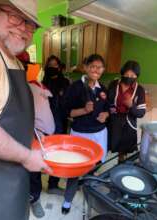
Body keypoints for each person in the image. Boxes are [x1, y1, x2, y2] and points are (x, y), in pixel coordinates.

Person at [0, 1, 51, 220]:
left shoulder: (15, 62)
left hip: (16, 181)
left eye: (31, 24)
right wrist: (27, 157)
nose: (24, 28)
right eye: (15, 17)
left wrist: (35, 148)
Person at [62, 54, 109, 214]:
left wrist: (106, 115)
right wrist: (83, 110)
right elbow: (66, 112)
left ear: (103, 70)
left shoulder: (102, 88)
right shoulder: (75, 87)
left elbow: (107, 108)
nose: (96, 69)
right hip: (81, 134)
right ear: (86, 67)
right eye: (93, 66)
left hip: (99, 134)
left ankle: (89, 191)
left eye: (99, 67)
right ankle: (68, 200)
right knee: (76, 169)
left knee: (94, 167)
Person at [108, 60, 146, 162]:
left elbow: (141, 113)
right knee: (107, 146)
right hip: (112, 122)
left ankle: (120, 168)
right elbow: (107, 101)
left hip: (128, 125)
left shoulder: (139, 90)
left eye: (133, 75)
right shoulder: (113, 84)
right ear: (122, 73)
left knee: (123, 153)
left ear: (136, 76)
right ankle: (95, 171)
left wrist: (131, 106)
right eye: (127, 74)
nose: (129, 77)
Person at [42, 55, 70, 194]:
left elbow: (69, 102)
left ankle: (53, 184)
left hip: (60, 122)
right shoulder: (42, 83)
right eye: (50, 65)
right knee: (44, 151)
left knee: (58, 152)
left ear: (59, 67)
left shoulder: (65, 82)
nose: (53, 67)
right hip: (44, 123)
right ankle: (41, 177)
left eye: (55, 65)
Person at [29, 80, 55, 218]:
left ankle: (34, 197)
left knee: (34, 168)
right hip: (21, 133)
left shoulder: (34, 86)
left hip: (38, 134)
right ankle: (31, 199)